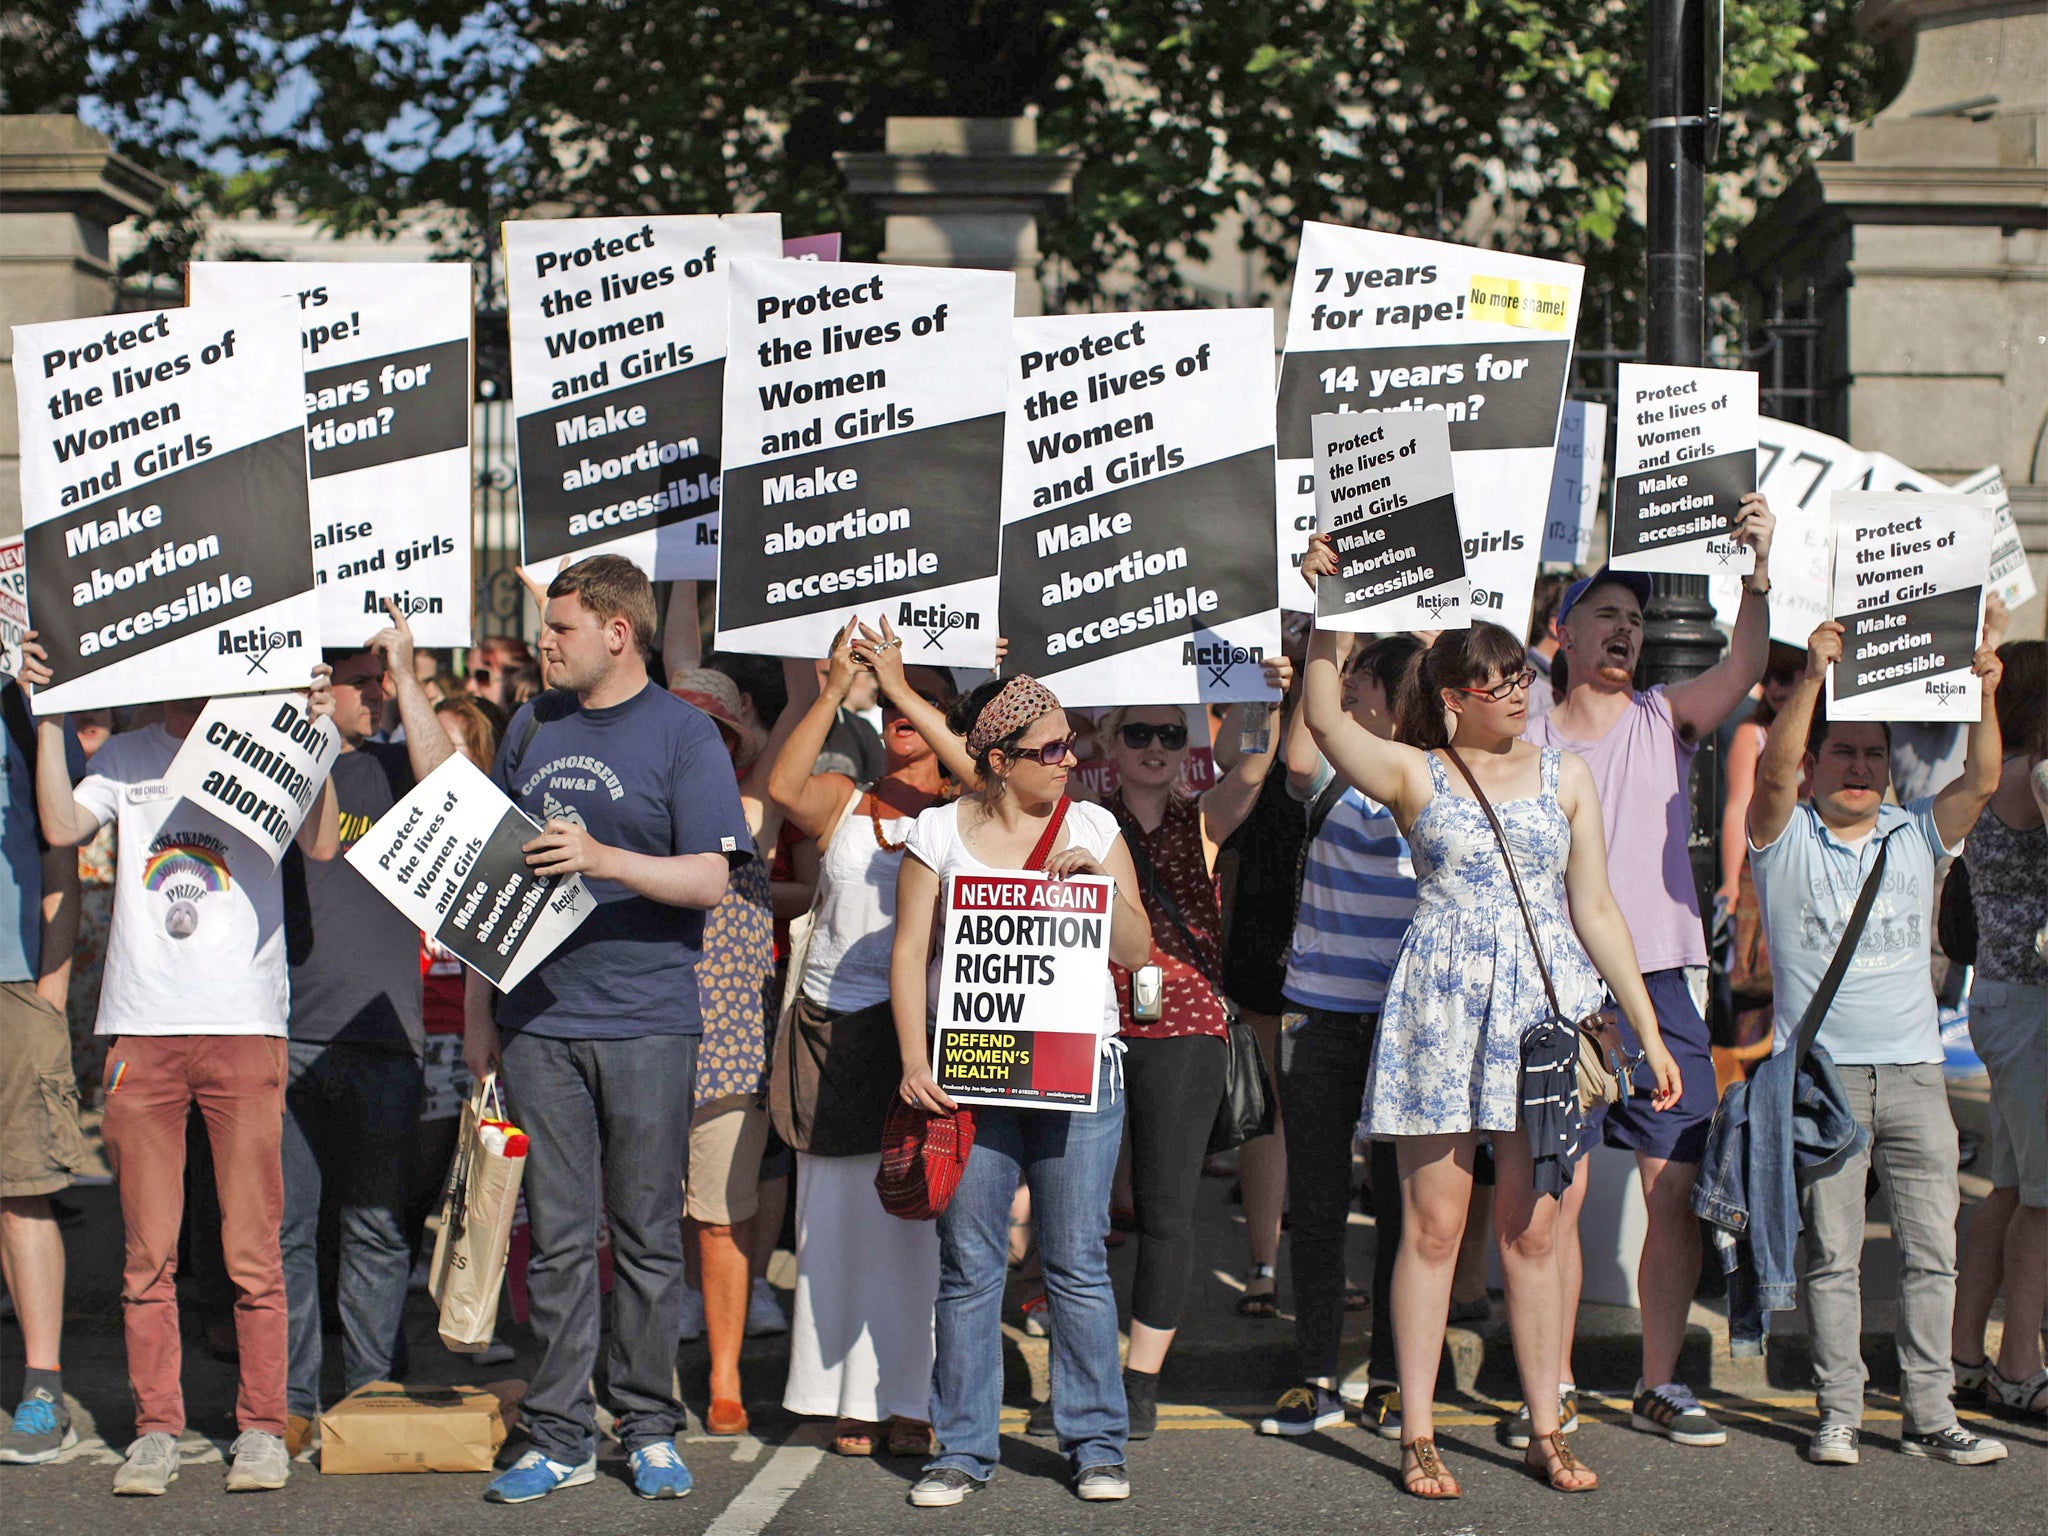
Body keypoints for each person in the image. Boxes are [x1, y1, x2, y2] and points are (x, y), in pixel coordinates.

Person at [1300, 534, 1679, 1499]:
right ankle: (1419, 1433)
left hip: (1543, 1017)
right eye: (1500, 681)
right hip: (1439, 1011)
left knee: (1536, 1232)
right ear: (1457, 696)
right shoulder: (1416, 771)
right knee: (1433, 1227)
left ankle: (1545, 1423)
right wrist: (1331, 607)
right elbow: (1324, 720)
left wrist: (1643, 1026)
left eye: (1523, 675)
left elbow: (1595, 908)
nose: (1520, 691)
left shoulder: (1567, 777)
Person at [462, 555, 749, 1504]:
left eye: (561, 628)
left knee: (647, 1235)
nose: (542, 642)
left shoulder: (684, 735)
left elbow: (712, 879)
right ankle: (558, 1432)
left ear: (619, 634)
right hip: (539, 1019)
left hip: (646, 1022)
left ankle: (650, 1424)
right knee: (555, 1240)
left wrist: (605, 858)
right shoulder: (529, 725)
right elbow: (487, 875)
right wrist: (479, 1015)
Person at [31, 656, 340, 1497]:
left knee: (252, 1249)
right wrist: (53, 714)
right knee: (146, 1255)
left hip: (243, 1025)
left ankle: (261, 1428)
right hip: (145, 1027)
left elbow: (319, 842)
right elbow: (61, 826)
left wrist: (316, 739)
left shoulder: (267, 739)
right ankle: (157, 1428)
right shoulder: (126, 755)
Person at [1524, 495, 1775, 1448]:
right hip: (1560, 989)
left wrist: (1756, 571)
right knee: (1558, 1195)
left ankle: (1661, 1382)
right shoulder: (1526, 735)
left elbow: (1745, 665)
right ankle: (1551, 1384)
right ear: (1565, 631)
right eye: (1607, 616)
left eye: (1635, 619)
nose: (1625, 630)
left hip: (1663, 983)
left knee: (1673, 1189)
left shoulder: (1664, 717)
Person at [1747, 609, 2009, 1467]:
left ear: (1887, 763)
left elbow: (1984, 776)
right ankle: (1840, 1414)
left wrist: (1984, 686)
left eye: (1872, 752)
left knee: (1933, 1256)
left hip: (1916, 1078)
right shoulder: (1782, 839)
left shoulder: (1913, 831)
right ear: (1820, 762)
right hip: (1824, 1081)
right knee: (1833, 1257)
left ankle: (1930, 1415)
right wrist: (1816, 675)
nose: (1858, 767)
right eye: (1843, 752)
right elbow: (1773, 772)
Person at [892, 676, 1152, 1507]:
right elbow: (907, 955)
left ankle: (1095, 1442)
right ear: (999, 762)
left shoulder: (1094, 825)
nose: (1068, 761)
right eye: (1050, 750)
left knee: (1077, 1261)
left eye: (1072, 743)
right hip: (973, 1068)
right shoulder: (938, 832)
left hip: (1079, 1075)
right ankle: (961, 1448)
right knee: (970, 1266)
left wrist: (1097, 887)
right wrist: (911, 1059)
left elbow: (1139, 949)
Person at [768, 617, 967, 1459]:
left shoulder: (967, 812)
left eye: (915, 701)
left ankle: (910, 1397)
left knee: (912, 1224)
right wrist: (831, 690)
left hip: (913, 1035)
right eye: (886, 702)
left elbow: (977, 770)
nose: (894, 713)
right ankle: (836, 1393)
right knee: (832, 1220)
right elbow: (781, 787)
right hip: (829, 1032)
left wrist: (903, 688)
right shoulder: (847, 799)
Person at [1091, 666, 1290, 1436]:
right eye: (1137, 731)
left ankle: (1139, 1382)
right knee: (1079, 1215)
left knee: (1168, 1207)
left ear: (1186, 749)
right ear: (1108, 741)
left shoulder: (1199, 820)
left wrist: (1263, 695)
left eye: (1170, 735)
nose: (1154, 747)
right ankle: (1085, 1369)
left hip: (1183, 1029)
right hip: (1091, 1024)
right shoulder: (1079, 822)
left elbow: (1253, 766)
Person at [278, 609, 454, 1454]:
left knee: (379, 1228)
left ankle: (368, 1398)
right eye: (365, 678)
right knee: (292, 1231)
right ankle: (292, 1401)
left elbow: (451, 786)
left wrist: (410, 670)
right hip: (293, 1033)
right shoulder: (281, 770)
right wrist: (302, 731)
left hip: (389, 1036)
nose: (378, 693)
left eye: (383, 677)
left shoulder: (398, 764)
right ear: (321, 686)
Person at [1256, 633, 1422, 1439]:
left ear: (1385, 698)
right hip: (1318, 1010)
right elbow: (1296, 760)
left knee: (1403, 1209)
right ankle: (1315, 1374)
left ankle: (1394, 1376)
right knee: (1317, 1201)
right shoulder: (1327, 770)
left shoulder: (1437, 778)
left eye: (1357, 678)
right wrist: (1332, 621)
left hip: (1410, 1021)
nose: (1345, 687)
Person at [668, 665, 781, 1438]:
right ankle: (651, 1371)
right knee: (652, 1220)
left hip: (731, 1046)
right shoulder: (631, 809)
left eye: (714, 730)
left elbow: (803, 721)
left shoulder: (749, 809)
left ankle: (725, 1376)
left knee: (718, 1219)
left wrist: (828, 680)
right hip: (642, 1030)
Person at [1950, 639, 2047, 1418]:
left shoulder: (1990, 776)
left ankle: (1961, 1357)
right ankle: (2019, 1367)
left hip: (2001, 998)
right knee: (2043, 1202)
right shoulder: (2034, 779)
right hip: (2033, 1006)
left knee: (2010, 1191)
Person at [0, 659, 83, 1466]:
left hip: (13, 982)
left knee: (22, 1189)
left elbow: (63, 851)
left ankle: (42, 1386)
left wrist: (51, 987)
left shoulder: (22, 708)